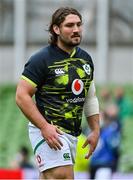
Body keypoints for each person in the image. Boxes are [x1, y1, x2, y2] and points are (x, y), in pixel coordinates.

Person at [16, 7, 100, 179]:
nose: (76, 29)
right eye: (70, 25)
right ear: (56, 29)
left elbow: (90, 96)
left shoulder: (86, 59)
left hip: (72, 133)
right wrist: (44, 127)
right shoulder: (41, 59)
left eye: (79, 24)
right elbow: (21, 95)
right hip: (49, 131)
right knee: (63, 176)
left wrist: (95, 130)